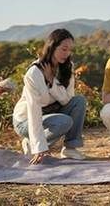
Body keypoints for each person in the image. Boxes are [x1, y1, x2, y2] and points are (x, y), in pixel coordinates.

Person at [12, 29, 87, 164]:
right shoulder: (34, 73)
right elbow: (33, 111)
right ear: (52, 47)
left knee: (79, 101)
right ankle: (31, 144)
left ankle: (70, 148)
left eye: (70, 50)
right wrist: (38, 146)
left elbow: (67, 99)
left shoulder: (67, 67)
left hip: (51, 113)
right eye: (64, 49)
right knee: (64, 121)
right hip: (26, 120)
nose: (67, 53)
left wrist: (52, 81)